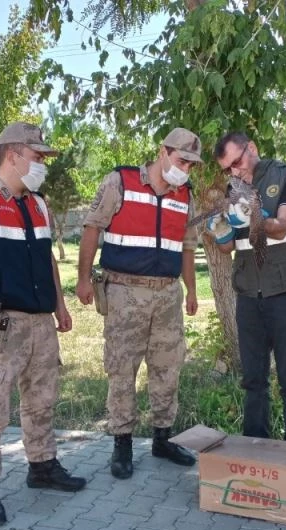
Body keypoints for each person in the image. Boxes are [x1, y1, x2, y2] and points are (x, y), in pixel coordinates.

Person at [0, 122, 86, 527]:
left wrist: (60, 305)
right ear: (12, 155)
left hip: (41, 324)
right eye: (37, 156)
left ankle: (42, 466)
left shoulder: (38, 204)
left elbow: (49, 260)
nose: (43, 163)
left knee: (42, 401)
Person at [75, 127, 201, 479]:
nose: (186, 169)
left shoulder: (185, 195)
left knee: (167, 367)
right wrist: (84, 278)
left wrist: (190, 290)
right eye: (182, 160)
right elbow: (91, 227)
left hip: (167, 294)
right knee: (122, 368)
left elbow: (187, 247)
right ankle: (122, 443)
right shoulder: (121, 181)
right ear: (163, 152)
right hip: (124, 292)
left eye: (192, 164)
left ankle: (162, 437)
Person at [208, 132, 286, 442]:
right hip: (249, 295)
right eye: (227, 169)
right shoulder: (233, 190)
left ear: (252, 147)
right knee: (253, 380)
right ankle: (255, 447)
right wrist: (221, 231)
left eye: (236, 163)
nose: (234, 173)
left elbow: (280, 228)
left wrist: (254, 217)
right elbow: (230, 249)